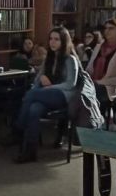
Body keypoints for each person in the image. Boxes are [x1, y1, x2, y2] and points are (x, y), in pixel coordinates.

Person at [6, 27, 80, 163]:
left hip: (63, 96)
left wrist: (49, 87)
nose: (53, 42)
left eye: (57, 39)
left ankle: (18, 129)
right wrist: (39, 83)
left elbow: (70, 84)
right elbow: (37, 79)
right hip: (45, 95)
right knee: (34, 109)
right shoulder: (49, 58)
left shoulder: (70, 59)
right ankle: (30, 152)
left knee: (31, 95)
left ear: (64, 41)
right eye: (51, 39)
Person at [86, 18, 116, 115]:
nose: (107, 31)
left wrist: (100, 82)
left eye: (111, 28)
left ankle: (95, 119)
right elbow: (90, 67)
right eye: (106, 28)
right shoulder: (99, 46)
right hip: (93, 83)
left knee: (92, 92)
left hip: (110, 88)